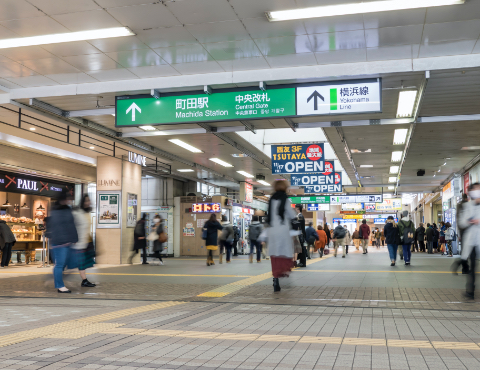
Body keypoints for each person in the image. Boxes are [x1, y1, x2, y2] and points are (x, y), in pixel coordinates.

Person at [45, 189, 78, 293]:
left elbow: (71, 224)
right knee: (59, 264)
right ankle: (60, 286)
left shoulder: (66, 209)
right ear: (63, 199)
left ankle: (57, 279)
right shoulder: (56, 211)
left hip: (66, 241)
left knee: (66, 264)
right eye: (67, 199)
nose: (68, 200)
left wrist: (74, 238)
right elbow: (59, 226)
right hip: (59, 242)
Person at [267, 180, 296, 293]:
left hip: (272, 230)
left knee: (275, 255)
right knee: (284, 253)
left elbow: (268, 216)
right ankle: (283, 272)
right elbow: (291, 215)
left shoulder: (271, 199)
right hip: (283, 230)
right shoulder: (285, 199)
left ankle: (275, 279)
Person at [457, 182, 480, 299]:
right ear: (471, 193)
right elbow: (461, 222)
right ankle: (470, 290)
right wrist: (470, 221)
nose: (477, 191)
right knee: (473, 266)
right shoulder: (467, 206)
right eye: (475, 189)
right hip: (471, 241)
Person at [72, 195, 96, 287]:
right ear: (82, 202)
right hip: (78, 242)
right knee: (79, 263)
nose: (88, 202)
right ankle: (84, 280)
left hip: (86, 242)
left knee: (83, 263)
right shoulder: (77, 212)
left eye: (89, 200)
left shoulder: (87, 213)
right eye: (86, 201)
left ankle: (84, 280)